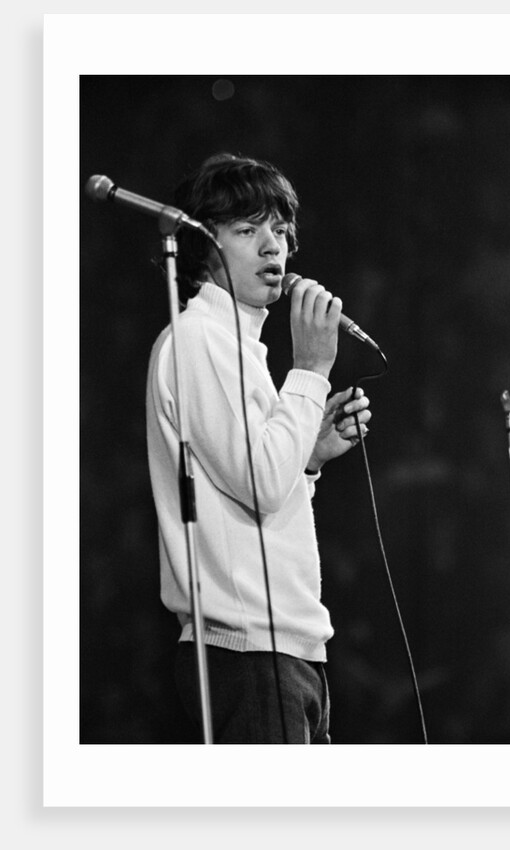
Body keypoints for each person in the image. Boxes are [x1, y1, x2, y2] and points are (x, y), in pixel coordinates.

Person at [146, 152, 372, 743]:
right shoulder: (200, 338)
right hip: (248, 651)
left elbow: (260, 495)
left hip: (283, 649)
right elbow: (261, 484)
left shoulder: (240, 346)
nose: (273, 246)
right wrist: (313, 367)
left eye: (279, 229)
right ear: (202, 245)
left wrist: (310, 459)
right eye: (247, 230)